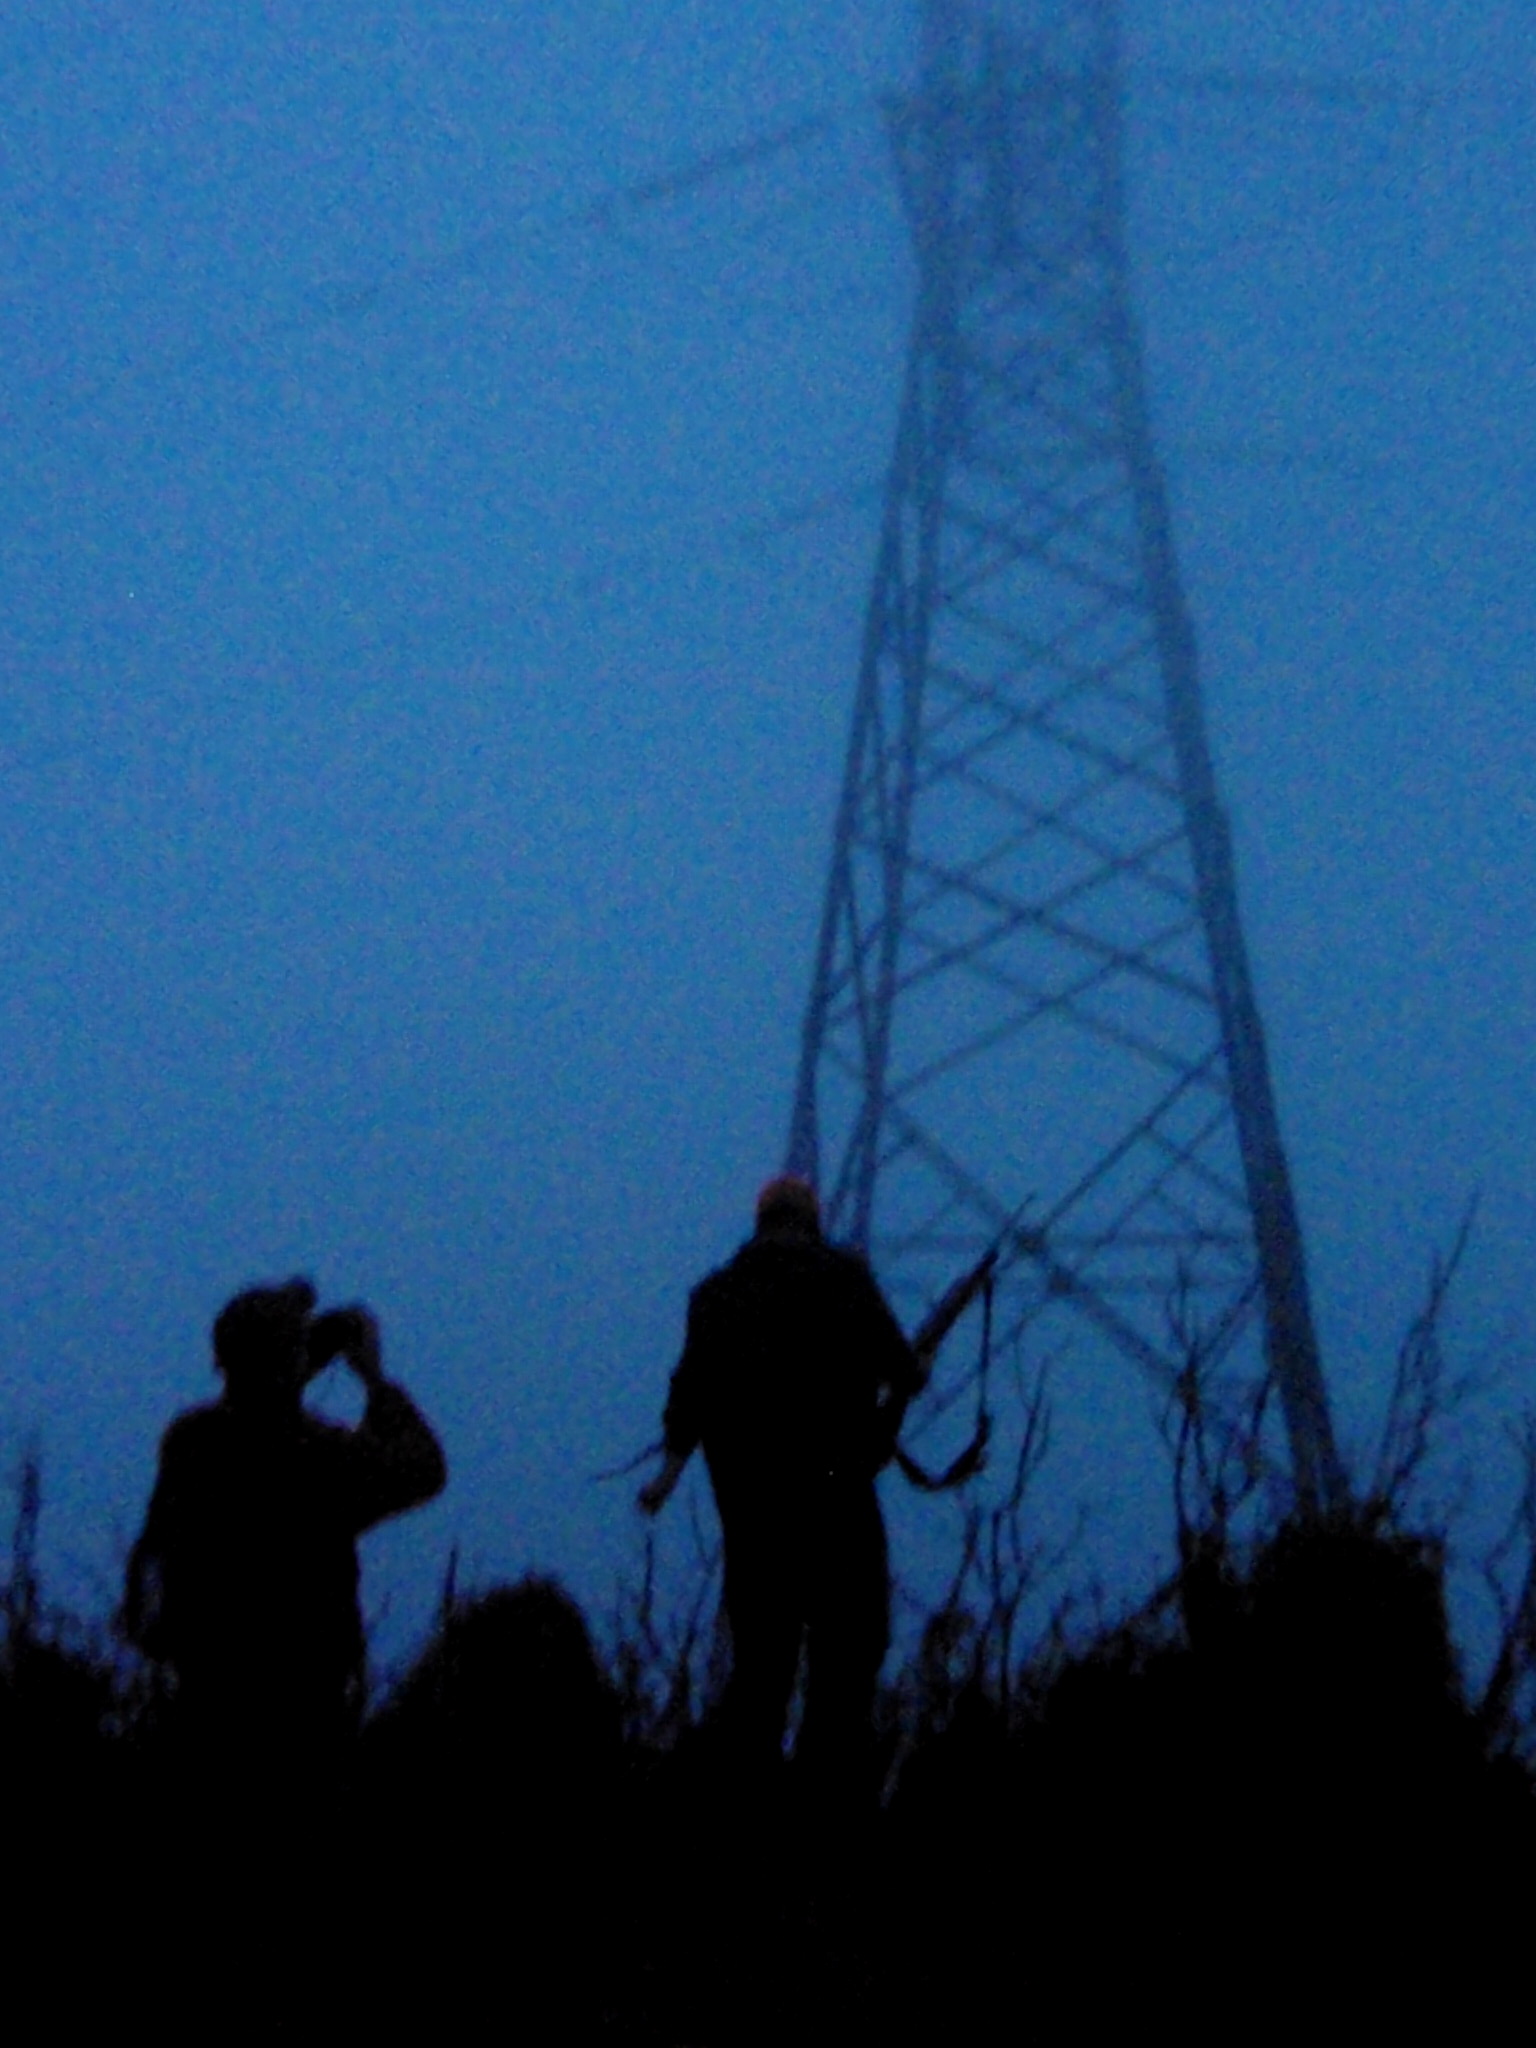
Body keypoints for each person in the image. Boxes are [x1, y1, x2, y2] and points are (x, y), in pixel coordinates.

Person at [639, 1175, 923, 1785]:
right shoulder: (844, 1279)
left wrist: (666, 1473)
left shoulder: (715, 1295)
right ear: (811, 1221)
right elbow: (901, 1367)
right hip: (836, 1507)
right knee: (845, 1672)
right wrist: (903, 1385)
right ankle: (824, 1831)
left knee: (760, 1675)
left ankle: (748, 1827)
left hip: (755, 1522)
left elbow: (688, 1394)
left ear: (760, 1221)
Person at [123, 1277, 447, 1763]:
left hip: (205, 1697)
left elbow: (255, 1402)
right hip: (303, 1712)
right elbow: (422, 1467)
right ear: (288, 1360)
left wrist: (302, 1351)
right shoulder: (319, 1457)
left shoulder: (192, 1444)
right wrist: (375, 1379)